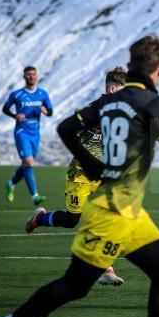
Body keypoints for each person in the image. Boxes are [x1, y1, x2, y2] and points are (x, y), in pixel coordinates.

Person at [0, 35, 159, 317]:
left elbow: (66, 127)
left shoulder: (109, 103)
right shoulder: (153, 103)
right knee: (75, 285)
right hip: (112, 212)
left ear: (129, 68)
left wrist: (91, 162)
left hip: (130, 211)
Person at [25, 67, 127, 287]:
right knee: (71, 220)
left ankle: (106, 269)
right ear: (111, 89)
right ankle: (40, 218)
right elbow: (68, 132)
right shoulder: (93, 111)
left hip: (104, 178)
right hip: (80, 174)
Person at [3, 66, 53, 206]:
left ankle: (11, 183)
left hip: (35, 134)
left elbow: (50, 112)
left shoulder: (42, 94)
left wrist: (45, 111)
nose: (31, 77)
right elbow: (5, 109)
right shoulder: (16, 94)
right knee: (29, 163)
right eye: (28, 74)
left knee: (26, 164)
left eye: (33, 74)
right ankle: (35, 196)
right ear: (24, 77)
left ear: (37, 76)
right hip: (21, 132)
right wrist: (15, 115)